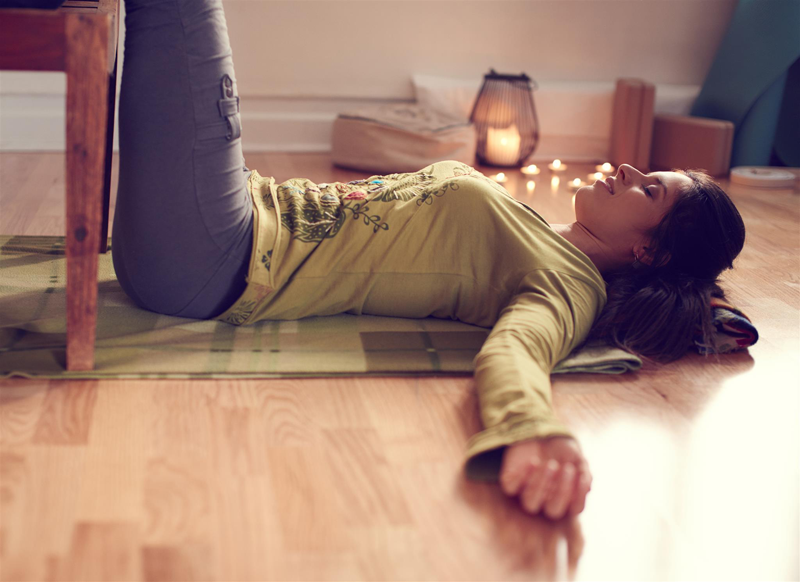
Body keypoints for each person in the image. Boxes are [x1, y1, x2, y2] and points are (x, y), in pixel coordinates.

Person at [111, 0, 747, 521]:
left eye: (650, 189)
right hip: (219, 225)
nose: (630, 170)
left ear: (649, 250)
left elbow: (516, 353)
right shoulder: (542, 234)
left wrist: (535, 430)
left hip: (216, 254)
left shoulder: (566, 285)